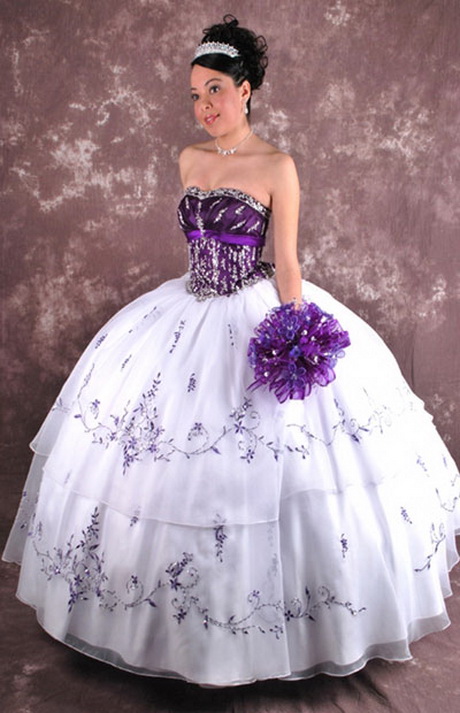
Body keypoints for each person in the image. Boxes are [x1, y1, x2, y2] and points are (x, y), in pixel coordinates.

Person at [3, 15, 459, 688]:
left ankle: (281, 627)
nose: (204, 106)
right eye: (195, 95)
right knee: (163, 461)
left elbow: (288, 262)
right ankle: (169, 624)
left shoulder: (277, 165)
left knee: (274, 466)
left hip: (255, 306)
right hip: (186, 314)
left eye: (215, 90)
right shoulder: (189, 159)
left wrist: (296, 333)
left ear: (246, 90)